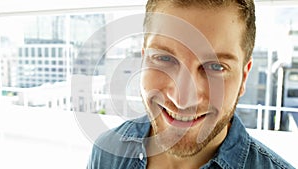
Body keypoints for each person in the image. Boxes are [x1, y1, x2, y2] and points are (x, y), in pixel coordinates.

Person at [87, 0, 295, 168]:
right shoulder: (106, 153)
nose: (182, 99)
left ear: (244, 77)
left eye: (216, 67)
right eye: (164, 59)